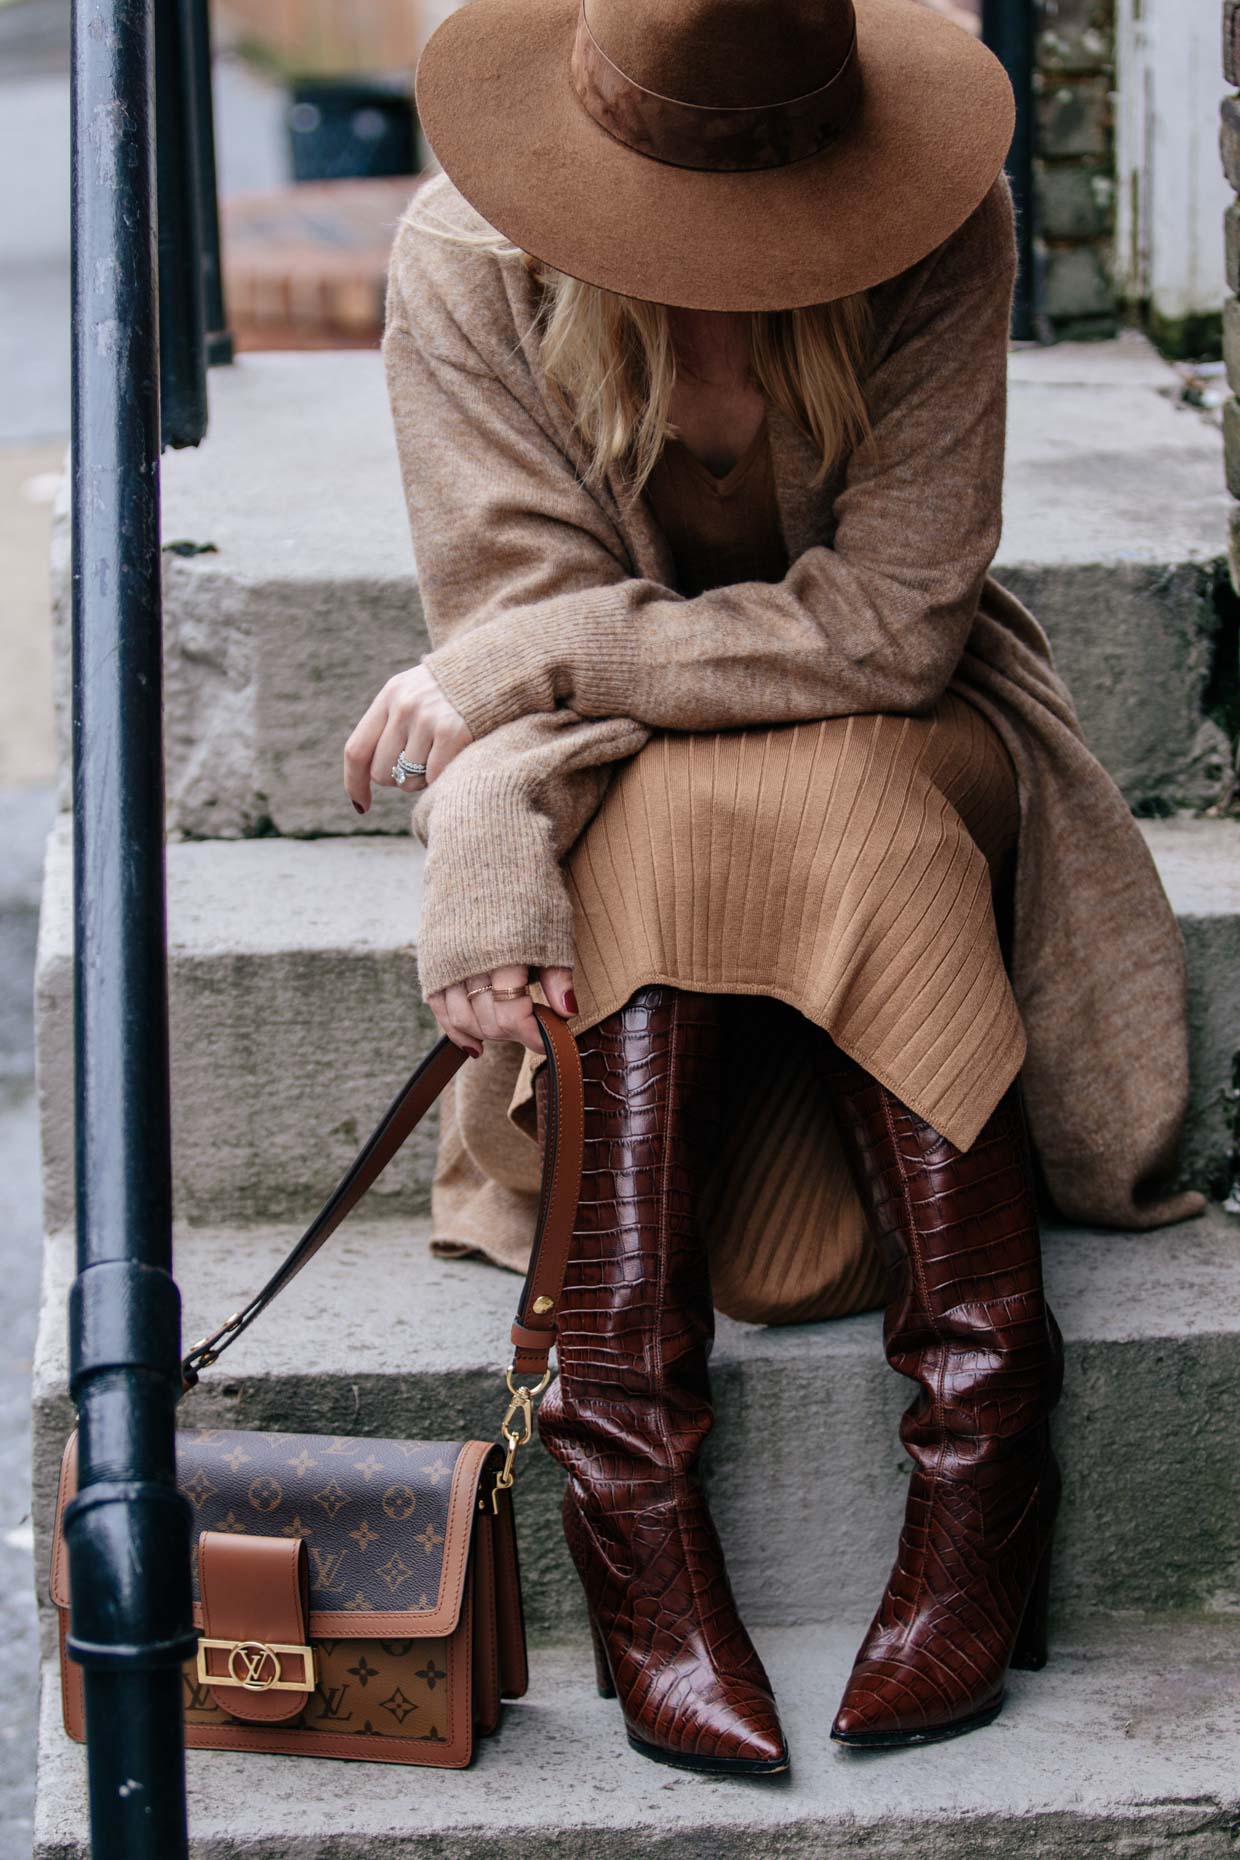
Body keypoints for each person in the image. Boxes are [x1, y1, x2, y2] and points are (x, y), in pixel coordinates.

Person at [343, 0, 1204, 1776]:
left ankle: (970, 1480)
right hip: (633, 794)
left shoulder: (939, 220)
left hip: (921, 732)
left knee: (862, 800)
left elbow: (891, 631)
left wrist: (531, 678)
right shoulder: (464, 262)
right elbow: (502, 628)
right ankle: (653, 1514)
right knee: (684, 819)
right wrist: (487, 838)